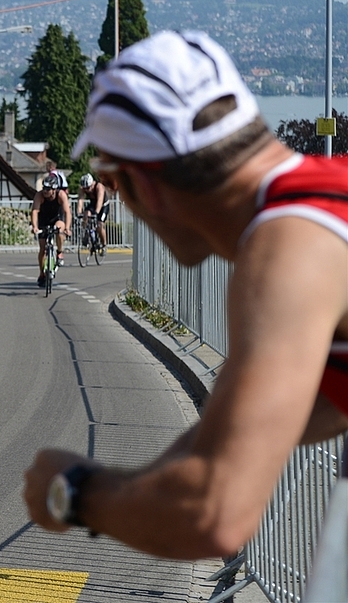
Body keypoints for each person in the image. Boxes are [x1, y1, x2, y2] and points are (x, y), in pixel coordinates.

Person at [23, 30, 348, 559]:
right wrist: (136, 488)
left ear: (144, 186)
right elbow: (304, 413)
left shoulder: (289, 248)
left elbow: (214, 516)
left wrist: (75, 493)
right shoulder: (329, 200)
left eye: (112, 178)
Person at [30, 172, 71, 286]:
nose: (45, 191)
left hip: (57, 218)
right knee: (42, 248)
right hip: (44, 219)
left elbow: (67, 212)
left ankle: (59, 252)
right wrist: (34, 227)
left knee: (59, 229)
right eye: (44, 188)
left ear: (54, 189)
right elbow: (35, 211)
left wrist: (67, 228)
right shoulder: (39, 196)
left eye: (48, 189)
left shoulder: (61, 195)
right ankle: (42, 273)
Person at [76, 173, 111, 255]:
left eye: (88, 188)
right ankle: (86, 233)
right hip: (93, 204)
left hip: (103, 205)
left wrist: (96, 213)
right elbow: (80, 200)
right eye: (85, 188)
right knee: (86, 213)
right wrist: (79, 212)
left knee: (100, 224)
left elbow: (100, 201)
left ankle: (104, 245)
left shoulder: (99, 187)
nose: (87, 190)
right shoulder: (82, 188)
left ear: (92, 184)